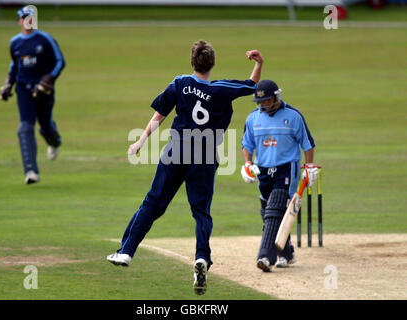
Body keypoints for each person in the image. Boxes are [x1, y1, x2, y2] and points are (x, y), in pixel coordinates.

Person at [107, 40, 264, 295]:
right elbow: (253, 86)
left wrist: (141, 140)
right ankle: (201, 258)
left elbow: (160, 114)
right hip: (205, 154)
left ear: (192, 63)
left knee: (152, 203)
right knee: (201, 212)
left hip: (176, 150)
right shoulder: (223, 89)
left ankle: (126, 252)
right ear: (212, 64)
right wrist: (258, 63)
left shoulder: (180, 82)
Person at [240, 80, 318, 272]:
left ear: (276, 96)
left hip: (286, 166)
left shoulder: (293, 116)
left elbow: (308, 144)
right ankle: (286, 252)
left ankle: (266, 255)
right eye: (262, 102)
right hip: (263, 169)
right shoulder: (252, 119)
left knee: (276, 207)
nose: (265, 104)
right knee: (268, 211)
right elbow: (246, 145)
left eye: (268, 100)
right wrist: (248, 164)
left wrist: (308, 167)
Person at [0, 6, 65, 184]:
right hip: (24, 90)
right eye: (24, 18)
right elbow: (14, 67)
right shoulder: (15, 42)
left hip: (44, 91)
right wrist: (7, 85)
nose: (28, 21)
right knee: (25, 128)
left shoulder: (45, 39)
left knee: (45, 126)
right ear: (20, 21)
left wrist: (48, 80)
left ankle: (55, 141)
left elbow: (60, 61)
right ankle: (30, 171)